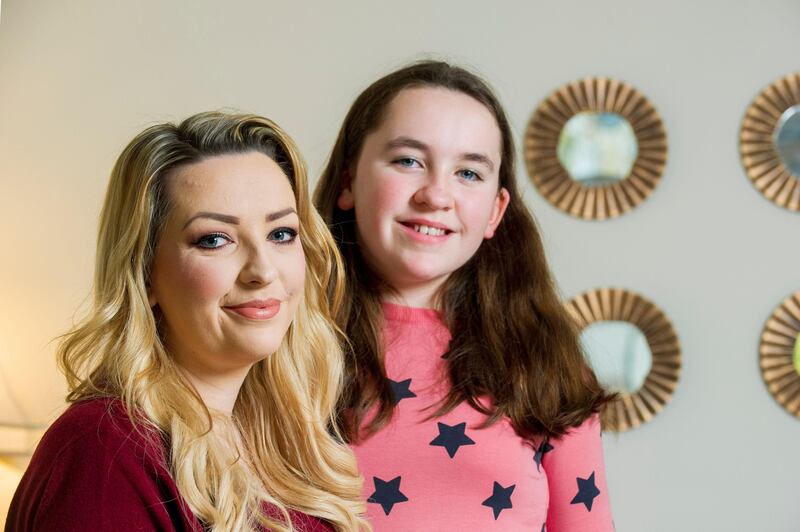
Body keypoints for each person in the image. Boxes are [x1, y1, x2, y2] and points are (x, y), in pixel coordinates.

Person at [7, 112, 368, 531]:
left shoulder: (283, 447)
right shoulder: (104, 452)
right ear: (145, 274)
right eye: (215, 239)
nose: (263, 270)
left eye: (281, 234)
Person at [314, 61, 616, 531]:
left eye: (469, 173)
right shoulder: (284, 344)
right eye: (408, 161)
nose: (436, 195)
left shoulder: (543, 361)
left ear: (496, 211)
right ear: (349, 180)